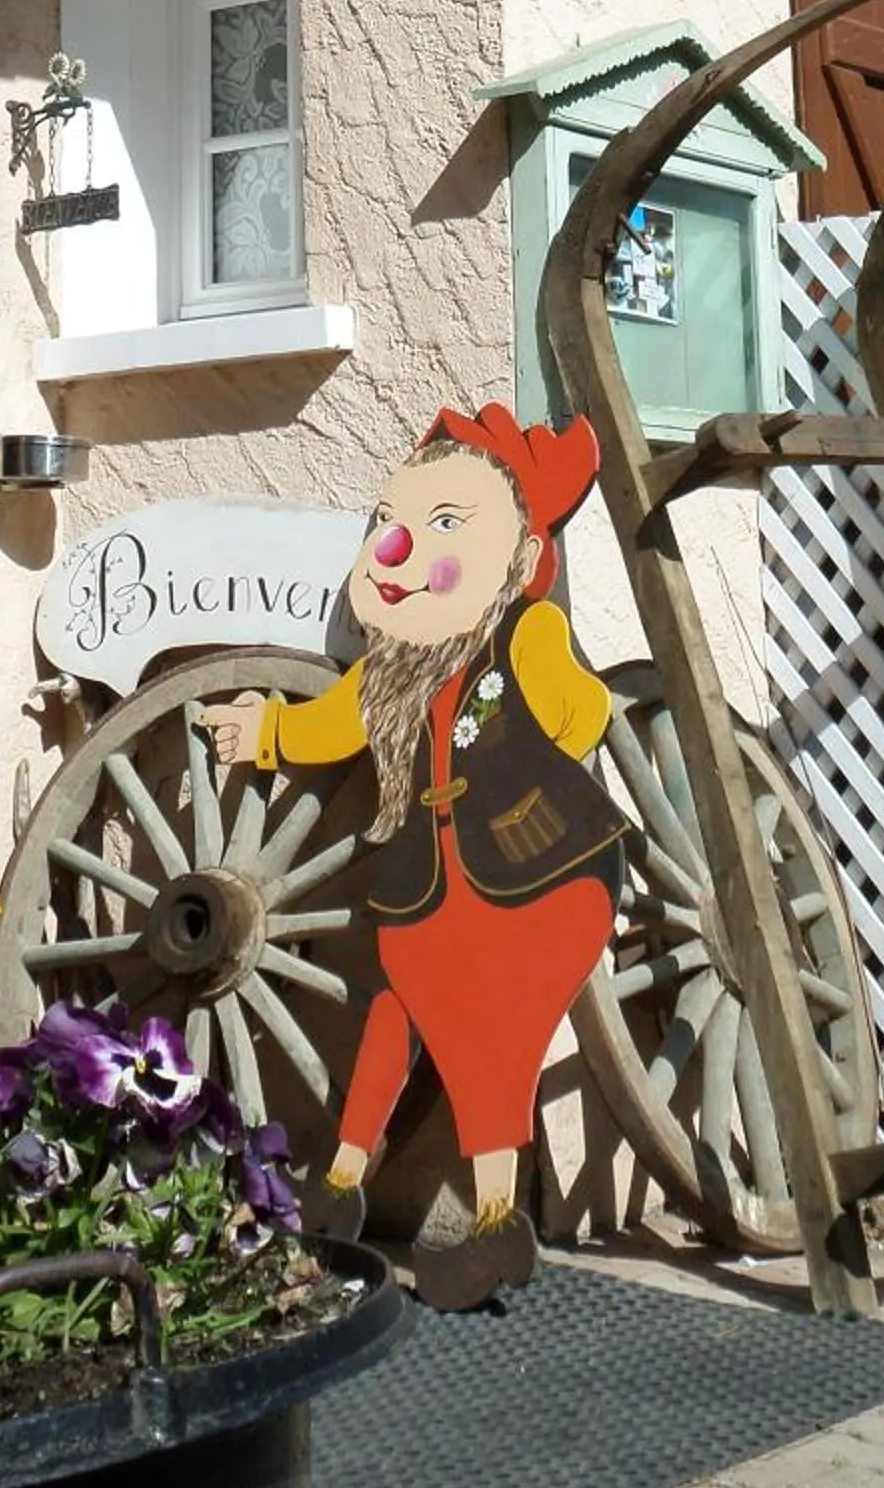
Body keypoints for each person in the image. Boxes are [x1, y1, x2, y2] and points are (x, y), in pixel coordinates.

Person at [203, 404, 629, 1310]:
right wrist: (267, 731)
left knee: (489, 1031)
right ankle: (342, 1181)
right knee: (398, 1004)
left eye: (445, 525)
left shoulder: (524, 635)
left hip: (541, 872)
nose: (398, 549)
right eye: (395, 523)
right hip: (439, 879)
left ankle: (494, 1221)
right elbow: (331, 721)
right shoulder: (395, 670)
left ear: (516, 559)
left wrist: (554, 714)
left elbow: (579, 711)